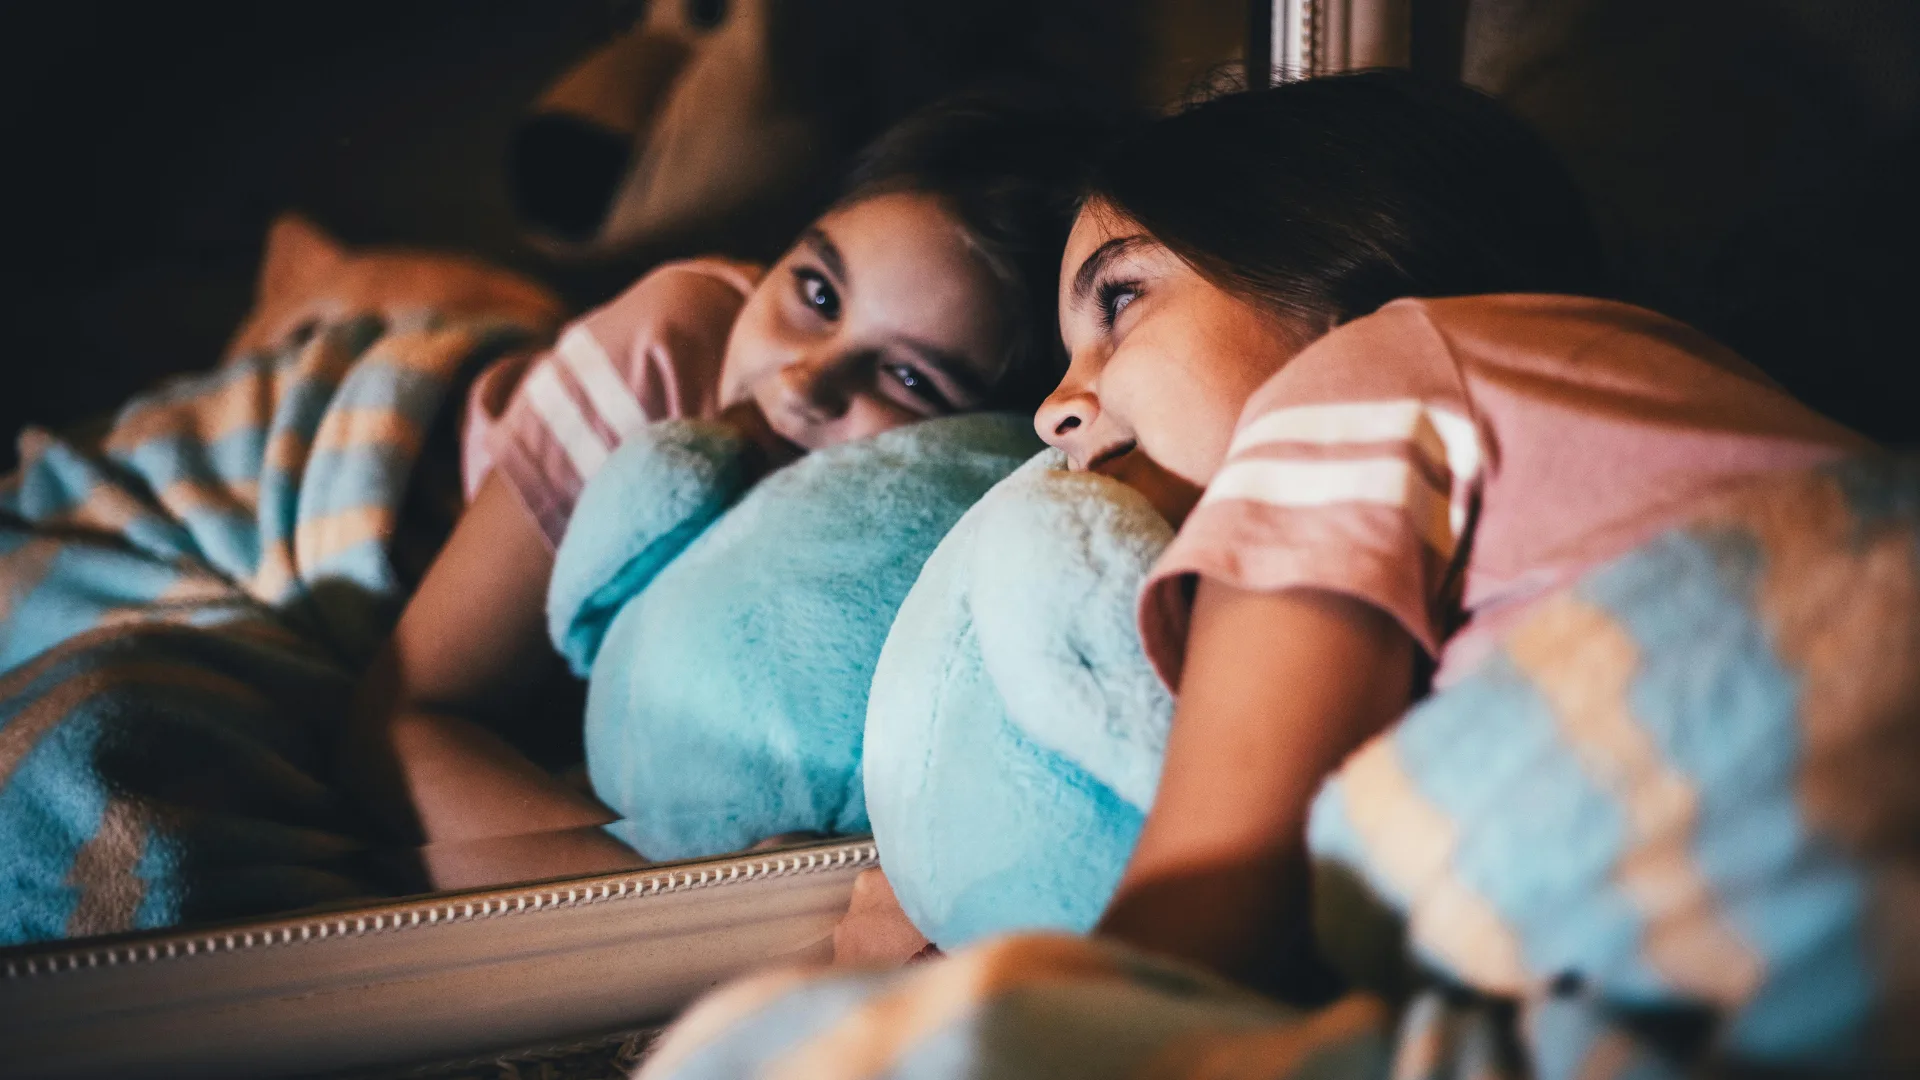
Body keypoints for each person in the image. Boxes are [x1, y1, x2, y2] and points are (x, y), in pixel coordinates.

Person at [1029, 69, 1869, 993]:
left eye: (1120, 300)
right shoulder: (1634, 398)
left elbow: (1189, 936)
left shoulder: (1358, 380)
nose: (1052, 410)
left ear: (1324, 253)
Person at [343, 89, 1106, 852]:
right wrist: (688, 898)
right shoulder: (668, 353)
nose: (803, 382)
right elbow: (401, 725)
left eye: (909, 380)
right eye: (816, 292)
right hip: (395, 452)